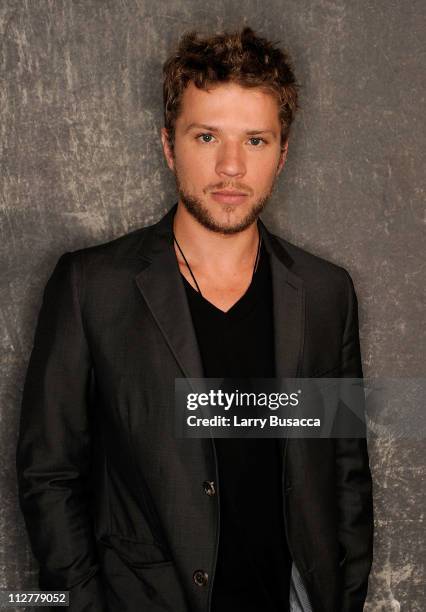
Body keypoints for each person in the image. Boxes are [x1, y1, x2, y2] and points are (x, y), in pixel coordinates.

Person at [16, 27, 374, 612]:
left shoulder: (326, 291)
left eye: (255, 141)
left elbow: (345, 470)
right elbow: (49, 476)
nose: (231, 167)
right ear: (168, 144)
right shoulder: (90, 287)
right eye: (207, 136)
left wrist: (347, 593)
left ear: (282, 153)